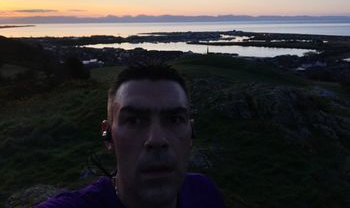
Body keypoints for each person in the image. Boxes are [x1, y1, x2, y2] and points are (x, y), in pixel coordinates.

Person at [37, 63, 225, 208]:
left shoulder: (204, 192)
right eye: (134, 121)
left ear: (191, 133)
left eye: (174, 119)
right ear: (108, 135)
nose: (157, 140)